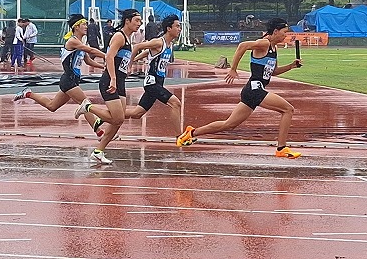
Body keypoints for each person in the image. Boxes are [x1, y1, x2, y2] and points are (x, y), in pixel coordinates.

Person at [177, 17, 304, 159]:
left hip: (252, 90)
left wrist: (291, 66)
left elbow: (273, 72)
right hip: (255, 88)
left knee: (229, 124)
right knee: (288, 109)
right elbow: (242, 46)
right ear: (275, 31)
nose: (285, 36)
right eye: (284, 32)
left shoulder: (273, 49)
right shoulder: (264, 43)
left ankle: (191, 133)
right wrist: (233, 69)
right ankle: (281, 148)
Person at [14, 14, 106, 137]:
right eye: (84, 24)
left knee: (52, 106)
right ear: (76, 27)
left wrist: (103, 67)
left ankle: (28, 93)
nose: (86, 27)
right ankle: (100, 133)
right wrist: (107, 56)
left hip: (72, 80)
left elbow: (88, 60)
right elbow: (92, 50)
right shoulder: (73, 41)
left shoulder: (80, 42)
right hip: (69, 80)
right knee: (85, 103)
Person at [75, 9, 142, 164]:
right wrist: (112, 78)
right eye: (137, 20)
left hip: (120, 81)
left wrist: (127, 68)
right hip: (110, 81)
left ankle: (99, 151)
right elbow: (109, 56)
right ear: (127, 21)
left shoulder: (127, 38)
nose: (139, 24)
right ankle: (88, 107)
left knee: (118, 120)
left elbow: (121, 59)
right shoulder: (119, 36)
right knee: (118, 117)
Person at [125, 14, 182, 134]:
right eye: (177, 26)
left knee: (137, 113)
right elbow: (137, 46)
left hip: (158, 83)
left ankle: (105, 117)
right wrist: (130, 65)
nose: (180, 29)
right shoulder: (158, 42)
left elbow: (148, 52)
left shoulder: (169, 44)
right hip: (152, 83)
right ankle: (180, 137)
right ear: (169, 28)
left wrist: (136, 59)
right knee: (176, 103)